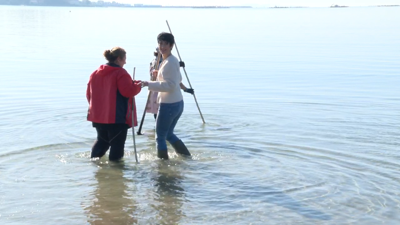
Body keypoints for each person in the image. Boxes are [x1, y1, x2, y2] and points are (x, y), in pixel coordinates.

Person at [86, 47, 142, 161]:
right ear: (118, 59)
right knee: (117, 146)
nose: (125, 62)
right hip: (116, 118)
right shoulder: (120, 73)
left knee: (102, 141)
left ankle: (94, 165)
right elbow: (128, 92)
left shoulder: (95, 73)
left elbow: (89, 95)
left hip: (98, 117)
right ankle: (116, 172)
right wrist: (138, 85)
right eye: (124, 59)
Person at [141, 32, 191, 160]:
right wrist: (158, 75)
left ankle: (162, 165)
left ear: (171, 45)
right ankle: (186, 157)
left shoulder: (169, 62)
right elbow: (177, 78)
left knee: (160, 136)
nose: (162, 46)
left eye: (165, 44)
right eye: (160, 43)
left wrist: (148, 83)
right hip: (177, 103)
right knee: (168, 134)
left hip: (169, 105)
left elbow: (170, 86)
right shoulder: (171, 60)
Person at [146, 48, 194, 120]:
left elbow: (173, 80)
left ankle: (159, 128)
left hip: (157, 91)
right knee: (159, 114)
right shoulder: (158, 63)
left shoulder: (165, 63)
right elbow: (170, 80)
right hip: (158, 92)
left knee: (159, 115)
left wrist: (186, 89)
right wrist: (177, 65)